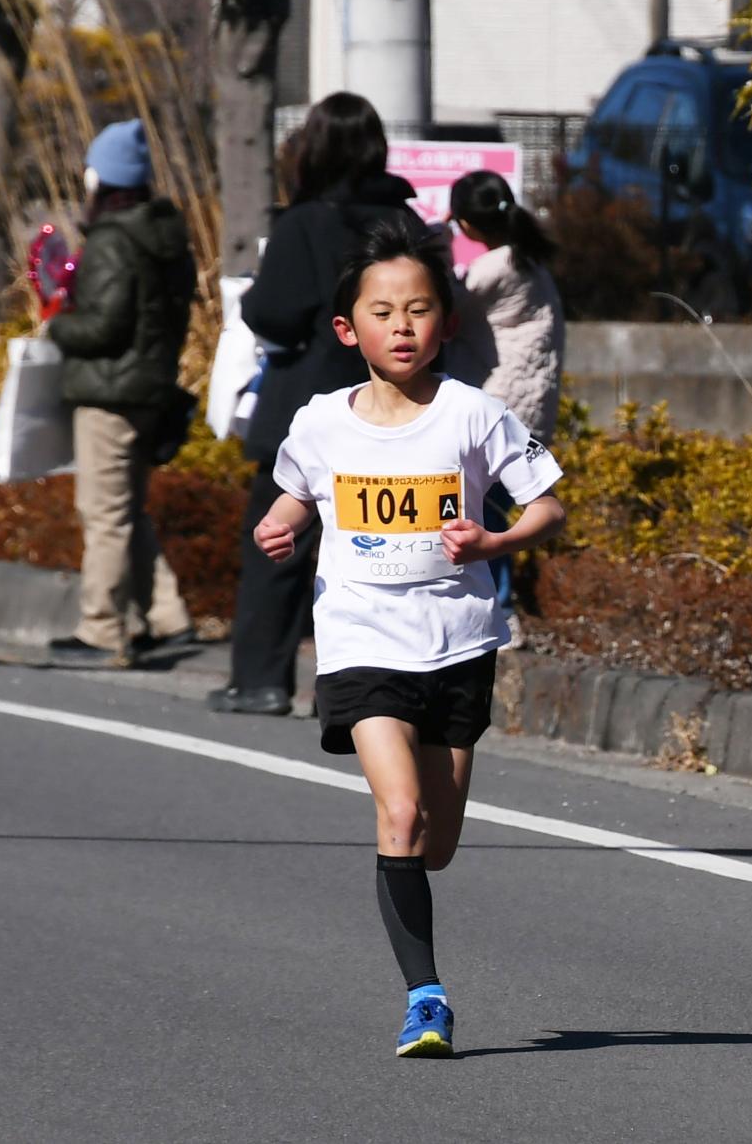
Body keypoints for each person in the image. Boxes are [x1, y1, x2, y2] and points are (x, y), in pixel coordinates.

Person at [253, 219, 565, 1056]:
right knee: (399, 812)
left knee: (438, 840)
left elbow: (547, 503)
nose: (402, 326)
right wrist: (280, 527)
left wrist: (496, 542)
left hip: (458, 641)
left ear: (446, 323)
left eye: (419, 309)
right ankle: (425, 998)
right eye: (383, 311)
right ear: (348, 328)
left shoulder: (474, 413)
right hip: (360, 639)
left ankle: (416, 906)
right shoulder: (321, 422)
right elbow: (294, 494)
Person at [206, 92, 443, 716]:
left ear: (312, 148)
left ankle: (260, 679)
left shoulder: (304, 222)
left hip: (307, 408)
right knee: (382, 553)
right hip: (397, 408)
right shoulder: (407, 224)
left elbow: (271, 314)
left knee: (277, 543)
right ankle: (363, 687)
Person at [45, 119, 198, 668]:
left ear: (101, 179)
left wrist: (58, 322)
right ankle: (167, 617)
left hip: (108, 394)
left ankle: (102, 629)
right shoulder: (166, 237)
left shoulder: (112, 239)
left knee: (103, 512)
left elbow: (103, 326)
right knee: (128, 510)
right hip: (149, 389)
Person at [441, 168, 565, 649]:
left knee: (487, 517)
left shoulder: (492, 270)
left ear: (466, 226)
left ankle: (500, 612)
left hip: (497, 408)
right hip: (530, 406)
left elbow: (443, 307)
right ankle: (501, 607)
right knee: (497, 509)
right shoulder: (529, 261)